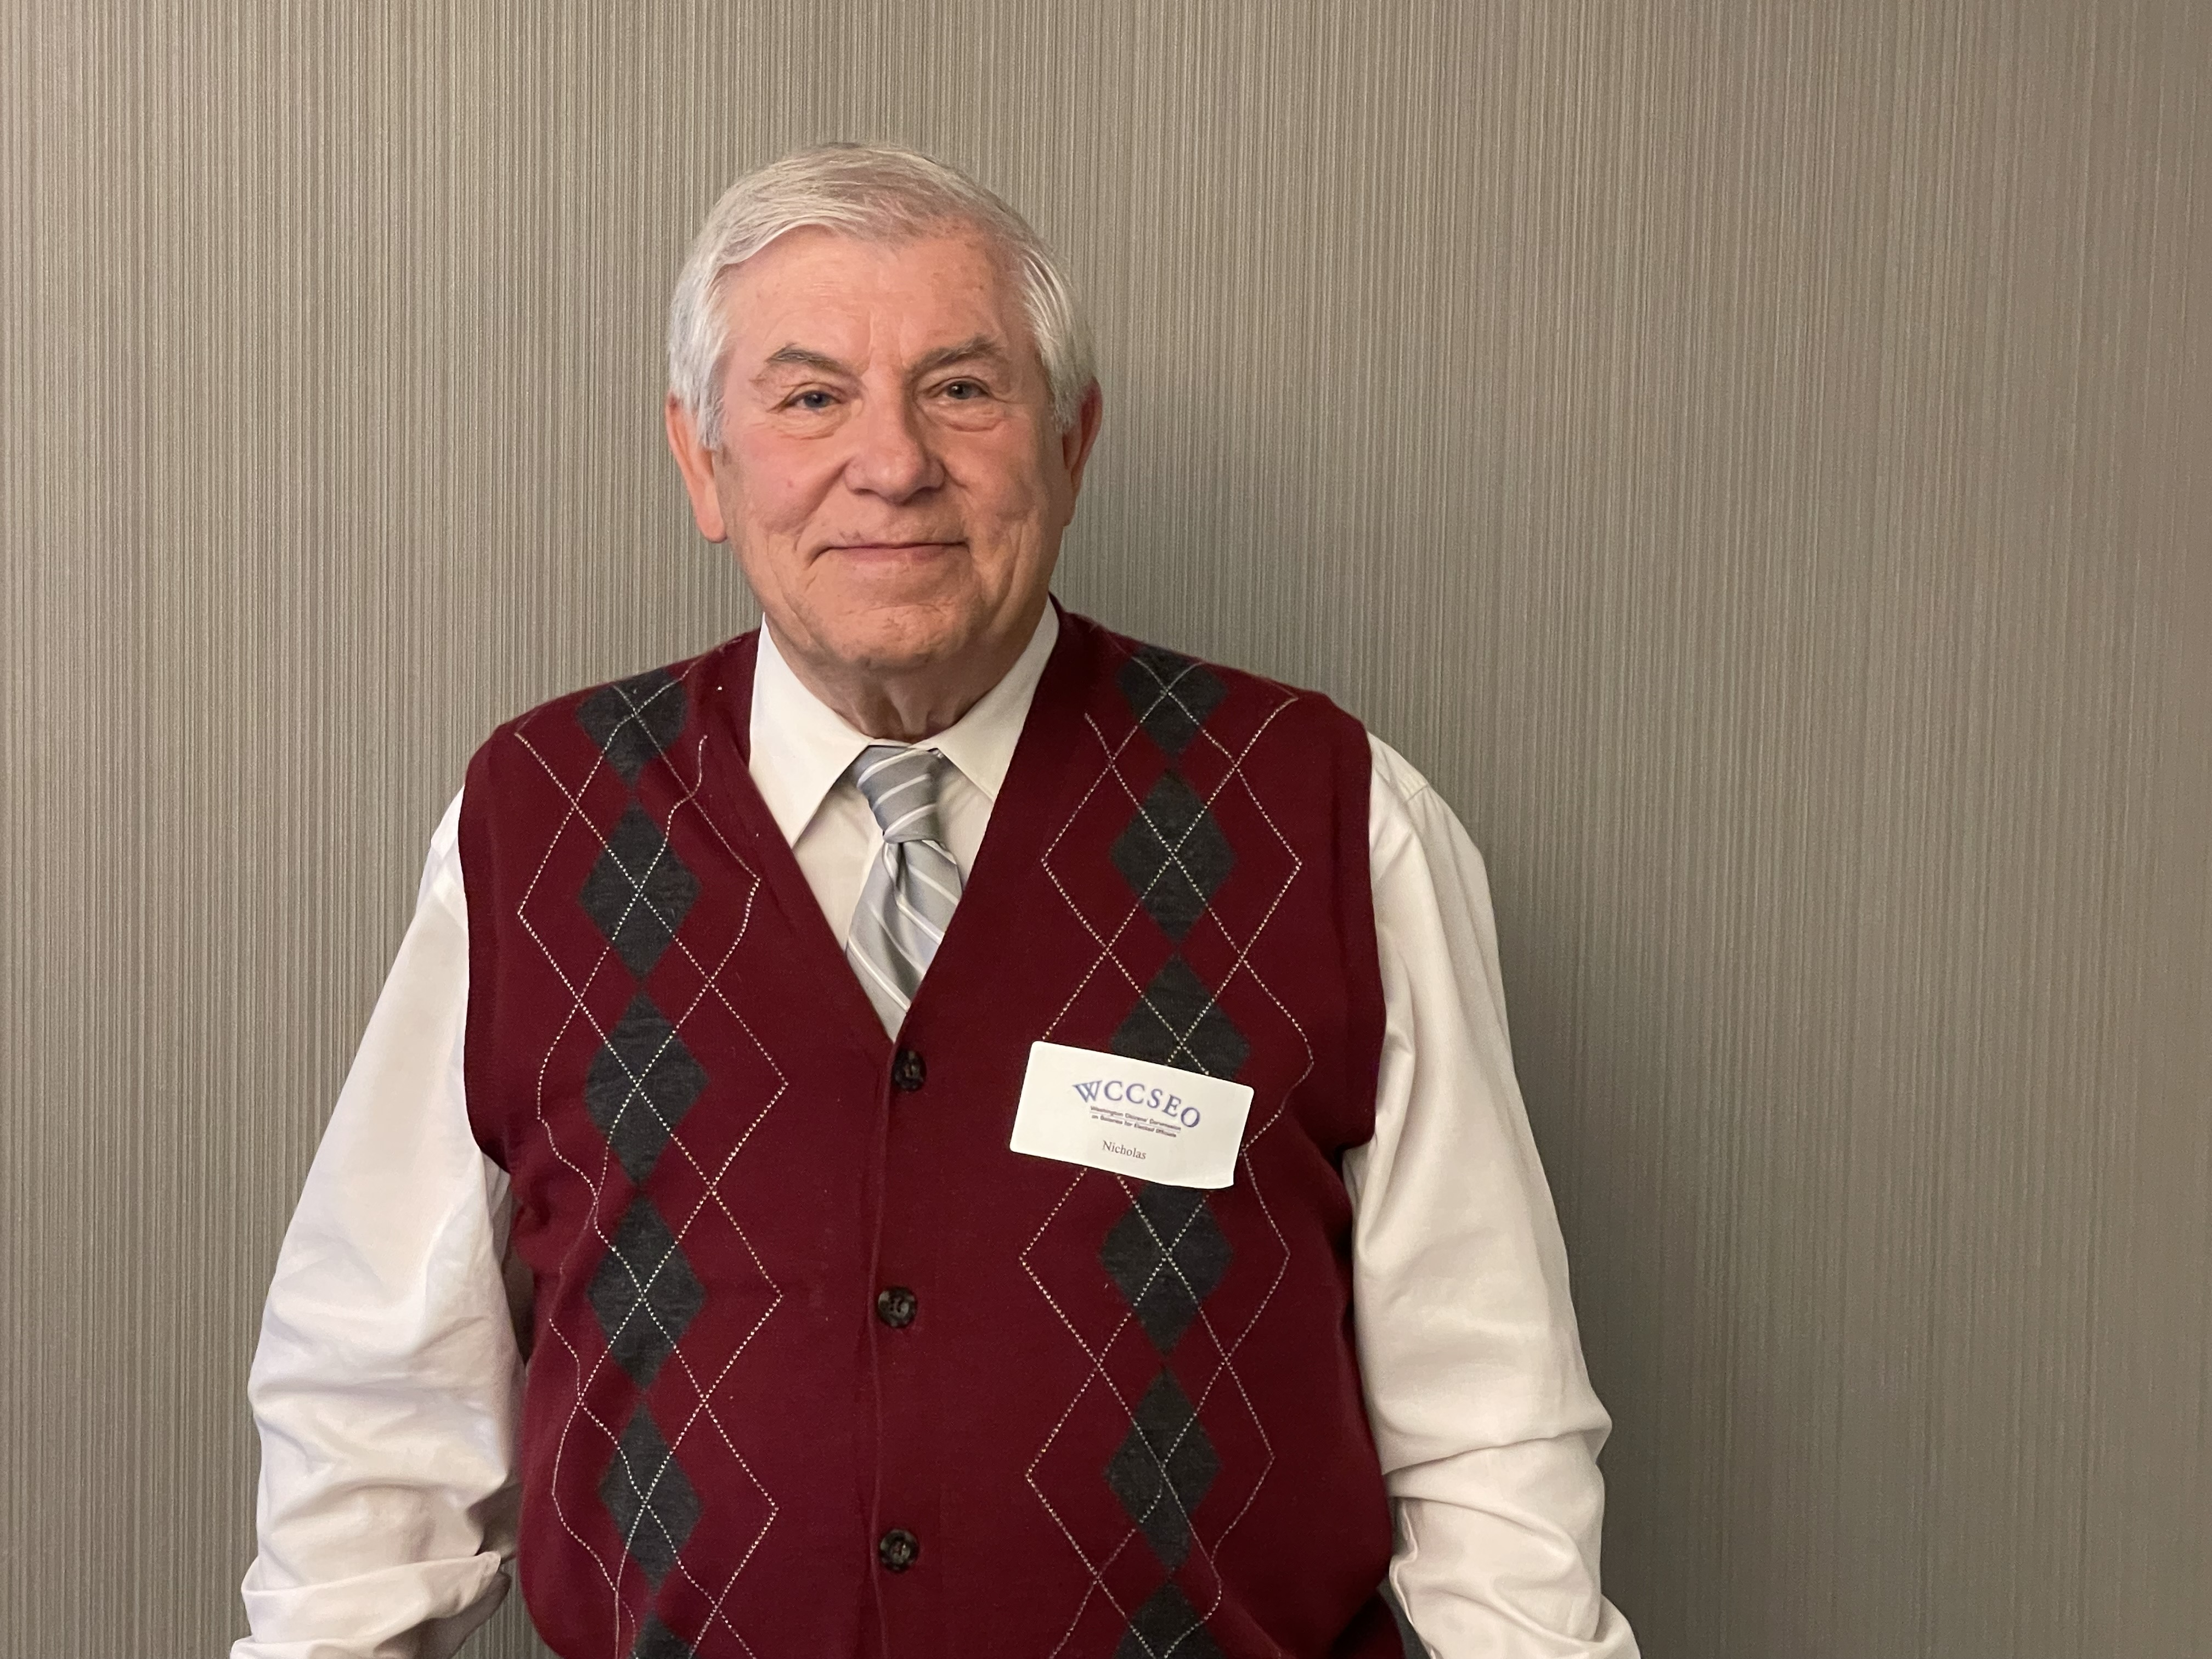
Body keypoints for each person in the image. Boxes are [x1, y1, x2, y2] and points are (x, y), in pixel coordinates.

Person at [234, 143, 1638, 1659]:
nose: (892, 462)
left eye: (963, 389)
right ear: (704, 464)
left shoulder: (1330, 815)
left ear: (1072, 445)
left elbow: (1491, 1428)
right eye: (810, 396)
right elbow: (376, 1415)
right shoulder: (530, 824)